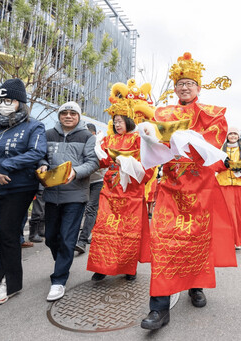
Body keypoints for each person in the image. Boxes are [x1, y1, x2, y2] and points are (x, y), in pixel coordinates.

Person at [140, 52, 234, 330]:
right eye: (180, 82)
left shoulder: (213, 114)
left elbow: (212, 146)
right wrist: (148, 136)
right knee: (164, 242)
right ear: (175, 87)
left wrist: (181, 137)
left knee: (196, 241)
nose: (184, 87)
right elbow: (155, 142)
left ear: (198, 87)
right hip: (170, 188)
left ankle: (196, 285)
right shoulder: (162, 113)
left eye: (189, 82)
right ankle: (158, 308)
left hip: (201, 190)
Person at [0, 79, 47, 304]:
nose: (3, 104)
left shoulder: (33, 126)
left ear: (20, 102)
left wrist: (7, 165)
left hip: (17, 188)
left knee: (8, 237)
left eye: (8, 100)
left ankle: (8, 284)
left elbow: (37, 152)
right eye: (0, 100)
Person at [87, 79, 155, 281]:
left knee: (129, 231)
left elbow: (148, 167)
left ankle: (129, 267)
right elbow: (104, 162)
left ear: (129, 121)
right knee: (105, 228)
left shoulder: (139, 140)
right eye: (115, 121)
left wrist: (129, 165)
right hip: (110, 189)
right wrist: (99, 153)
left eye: (121, 121)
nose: (117, 124)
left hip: (131, 191)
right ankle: (101, 267)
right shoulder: (109, 140)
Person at [38, 101, 98, 302]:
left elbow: (93, 162)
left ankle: (59, 279)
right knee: (50, 237)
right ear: (59, 115)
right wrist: (43, 165)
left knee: (67, 238)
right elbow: (40, 157)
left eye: (73, 113)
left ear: (79, 117)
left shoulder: (87, 137)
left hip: (75, 196)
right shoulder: (47, 135)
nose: (69, 116)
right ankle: (62, 263)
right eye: (65, 112)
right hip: (51, 193)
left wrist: (76, 172)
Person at [216, 127, 241, 249]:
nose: (233, 136)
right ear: (227, 136)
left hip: (240, 185)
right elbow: (214, 166)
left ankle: (238, 241)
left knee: (238, 214)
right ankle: (229, 240)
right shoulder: (220, 151)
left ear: (238, 136)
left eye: (235, 134)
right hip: (224, 185)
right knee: (227, 214)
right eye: (230, 134)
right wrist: (223, 164)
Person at [75, 123, 106, 254]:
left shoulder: (101, 144)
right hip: (81, 181)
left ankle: (82, 240)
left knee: (91, 210)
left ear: (93, 134)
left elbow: (106, 162)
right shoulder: (78, 142)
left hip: (97, 181)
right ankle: (73, 239)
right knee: (78, 209)